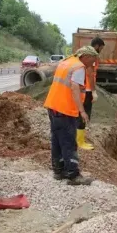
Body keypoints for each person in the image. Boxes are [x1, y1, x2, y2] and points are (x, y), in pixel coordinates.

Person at [44, 46, 99, 185]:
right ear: (86, 56)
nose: (92, 64)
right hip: (65, 109)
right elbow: (75, 88)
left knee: (57, 140)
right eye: (92, 60)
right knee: (69, 142)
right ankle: (73, 175)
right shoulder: (79, 67)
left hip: (53, 106)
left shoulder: (66, 62)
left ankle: (58, 170)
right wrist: (82, 111)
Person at [77, 37, 105, 151]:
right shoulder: (91, 57)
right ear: (97, 46)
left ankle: (79, 139)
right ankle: (79, 142)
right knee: (84, 115)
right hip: (87, 90)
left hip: (84, 89)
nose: (101, 51)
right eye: (101, 48)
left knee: (81, 115)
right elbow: (89, 74)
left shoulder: (86, 55)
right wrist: (93, 91)